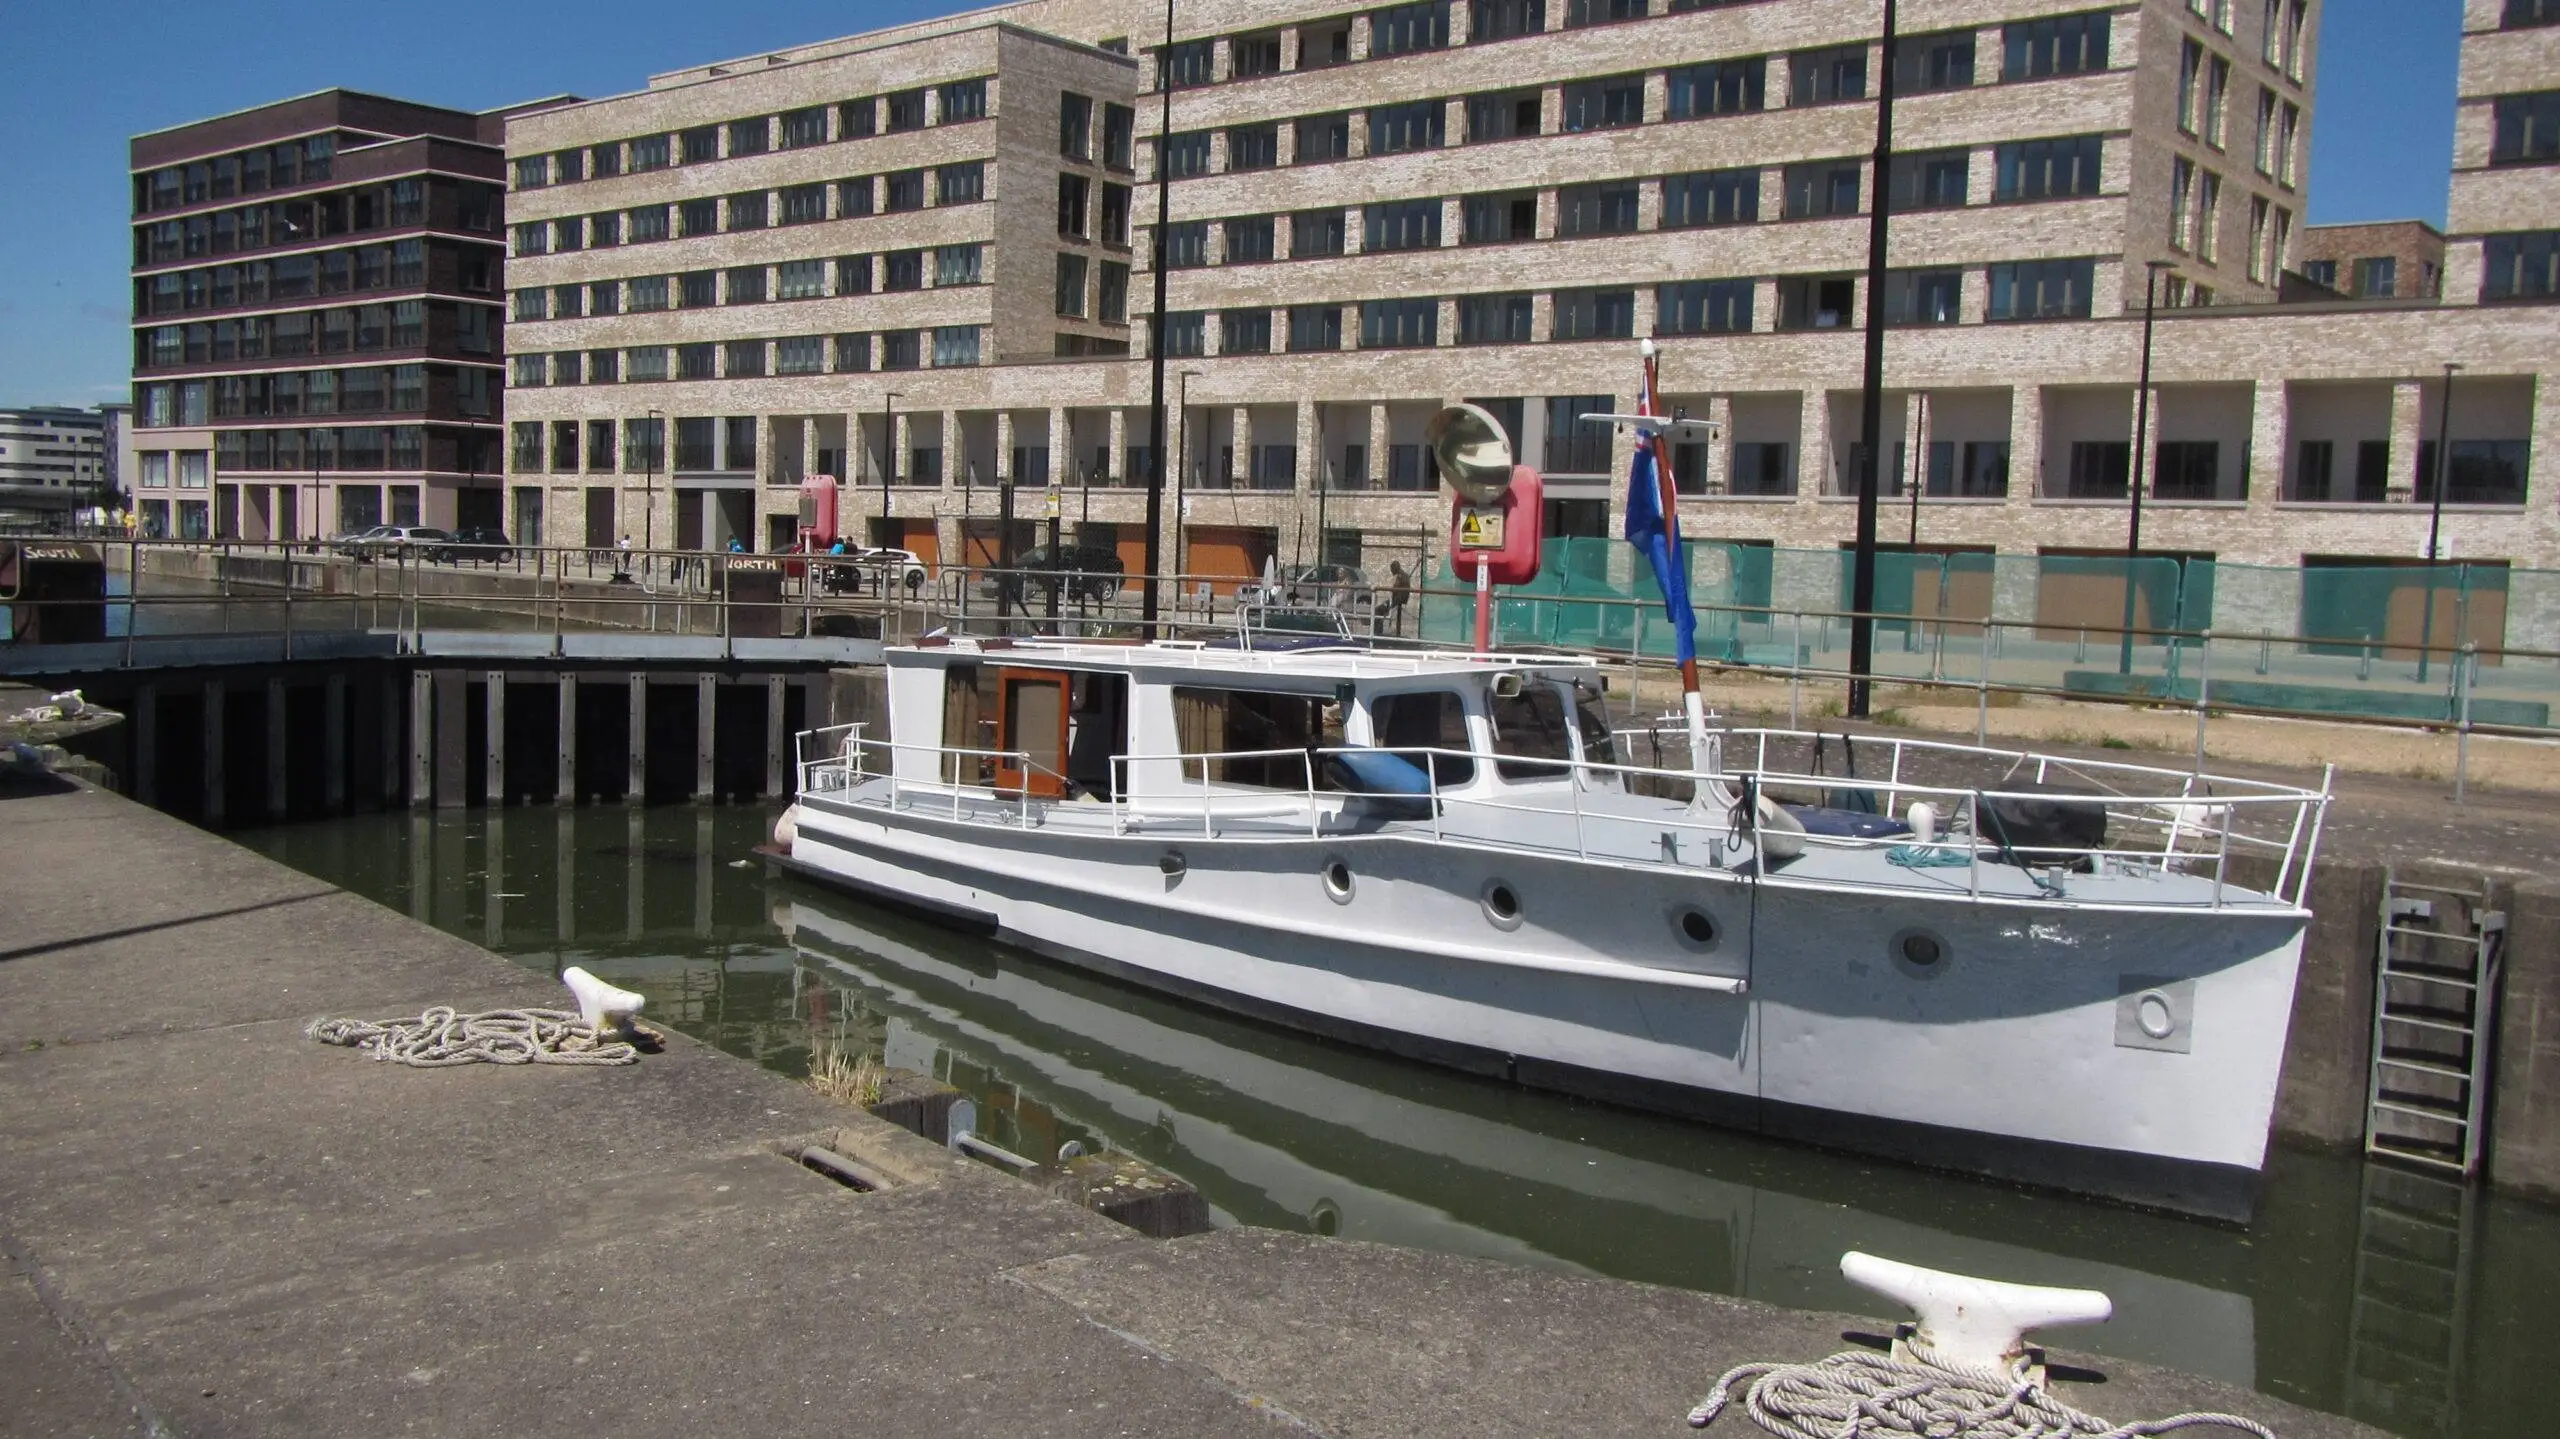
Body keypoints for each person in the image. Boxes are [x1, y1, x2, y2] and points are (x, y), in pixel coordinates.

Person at [1388, 561, 1412, 636]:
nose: (1391, 571)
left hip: (1398, 599)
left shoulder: (1400, 576)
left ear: (1395, 568)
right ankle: (1396, 631)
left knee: (1380, 610)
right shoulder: (1403, 574)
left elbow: (1395, 588)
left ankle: (1378, 631)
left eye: (1391, 569)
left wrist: (1392, 589)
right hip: (1400, 598)